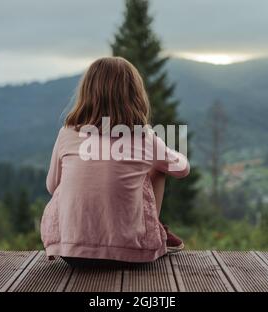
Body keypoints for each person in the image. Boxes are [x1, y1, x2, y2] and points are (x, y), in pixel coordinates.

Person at [41, 57, 190, 266]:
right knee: (158, 170)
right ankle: (153, 229)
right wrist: (165, 151)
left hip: (72, 253)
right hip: (131, 253)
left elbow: (52, 186)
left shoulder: (67, 133)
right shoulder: (144, 137)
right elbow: (182, 169)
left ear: (87, 93)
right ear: (135, 95)